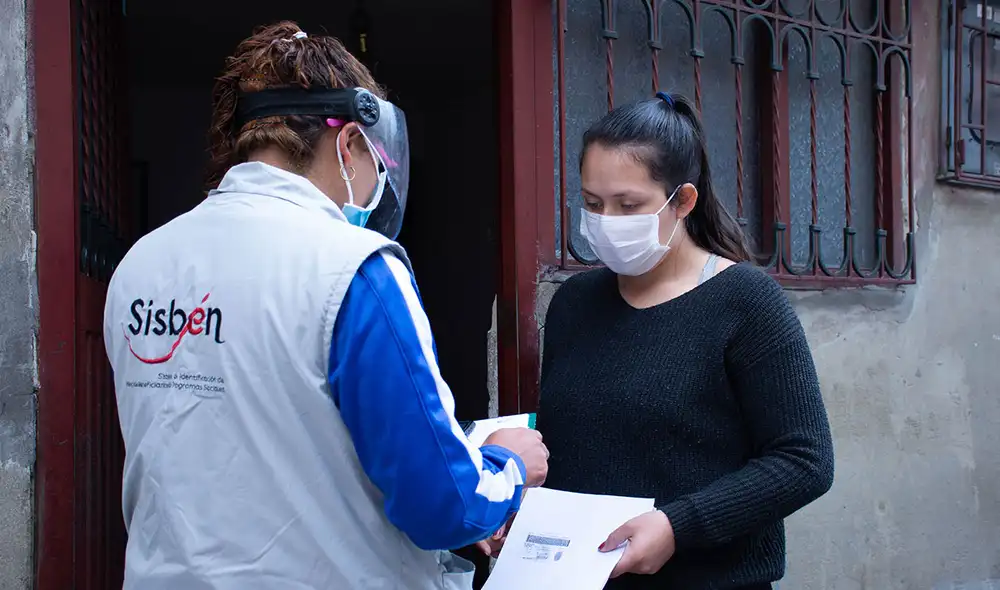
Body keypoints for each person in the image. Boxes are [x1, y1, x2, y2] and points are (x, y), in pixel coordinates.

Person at [103, 22, 547, 590]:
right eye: (375, 163)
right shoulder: (354, 267)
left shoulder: (141, 263)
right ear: (349, 145)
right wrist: (507, 467)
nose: (375, 184)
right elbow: (444, 505)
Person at [529, 92, 835, 589]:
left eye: (629, 204)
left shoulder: (746, 302)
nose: (606, 220)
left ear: (684, 201)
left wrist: (678, 526)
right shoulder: (575, 302)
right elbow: (574, 438)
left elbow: (805, 460)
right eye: (592, 203)